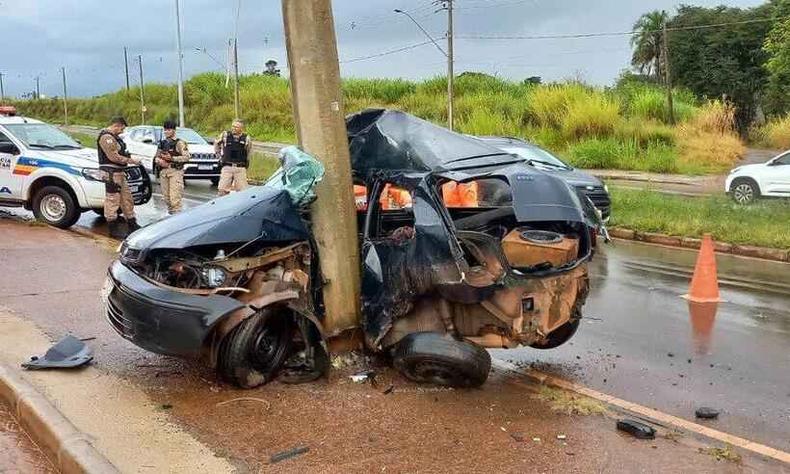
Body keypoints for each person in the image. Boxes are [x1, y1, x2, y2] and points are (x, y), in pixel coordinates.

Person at [97, 116, 142, 239]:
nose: (122, 132)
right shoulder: (106, 138)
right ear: (116, 125)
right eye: (121, 129)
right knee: (112, 200)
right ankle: (112, 228)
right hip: (111, 173)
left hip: (119, 172)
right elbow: (113, 157)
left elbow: (120, 153)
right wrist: (131, 160)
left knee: (127, 198)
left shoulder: (115, 138)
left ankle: (132, 223)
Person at [155, 120, 190, 214]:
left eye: (169, 130)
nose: (166, 132)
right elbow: (156, 156)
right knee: (167, 199)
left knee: (175, 199)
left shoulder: (179, 143)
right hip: (164, 172)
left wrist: (172, 158)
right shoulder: (162, 143)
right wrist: (159, 161)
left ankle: (177, 219)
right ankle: (171, 216)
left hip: (175, 171)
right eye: (165, 130)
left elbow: (187, 157)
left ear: (174, 130)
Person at [214, 119, 252, 196]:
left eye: (236, 127)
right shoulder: (225, 135)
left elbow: (249, 152)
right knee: (222, 190)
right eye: (233, 126)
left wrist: (246, 163)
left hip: (240, 168)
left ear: (241, 128)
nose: (234, 128)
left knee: (242, 192)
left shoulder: (246, 138)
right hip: (227, 167)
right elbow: (216, 144)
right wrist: (219, 156)